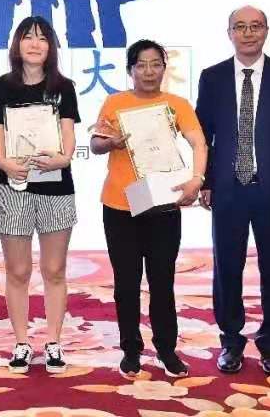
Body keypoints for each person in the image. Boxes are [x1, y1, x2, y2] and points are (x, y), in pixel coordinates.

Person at [195, 6, 270, 377]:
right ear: (229, 32)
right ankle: (231, 341)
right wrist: (206, 180)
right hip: (227, 190)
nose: (248, 33)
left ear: (266, 31)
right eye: (240, 27)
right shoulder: (212, 77)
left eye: (255, 26)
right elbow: (202, 137)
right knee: (226, 268)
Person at [90, 39, 206, 378]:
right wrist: (111, 143)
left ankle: (167, 350)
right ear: (130, 70)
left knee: (162, 281)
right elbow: (95, 143)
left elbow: (198, 142)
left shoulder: (176, 104)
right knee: (126, 284)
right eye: (141, 65)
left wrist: (197, 178)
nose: (149, 71)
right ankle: (131, 351)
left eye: (156, 64)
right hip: (120, 206)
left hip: (162, 204)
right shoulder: (115, 102)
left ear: (164, 69)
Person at [0, 16, 79, 374]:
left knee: (54, 269)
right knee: (18, 270)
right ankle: (22, 342)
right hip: (13, 186)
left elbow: (68, 136)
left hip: (56, 188)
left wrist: (63, 158)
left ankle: (53, 342)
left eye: (42, 38)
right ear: (17, 44)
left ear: (51, 47)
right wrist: (6, 163)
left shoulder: (64, 87)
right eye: (28, 37)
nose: (35, 44)